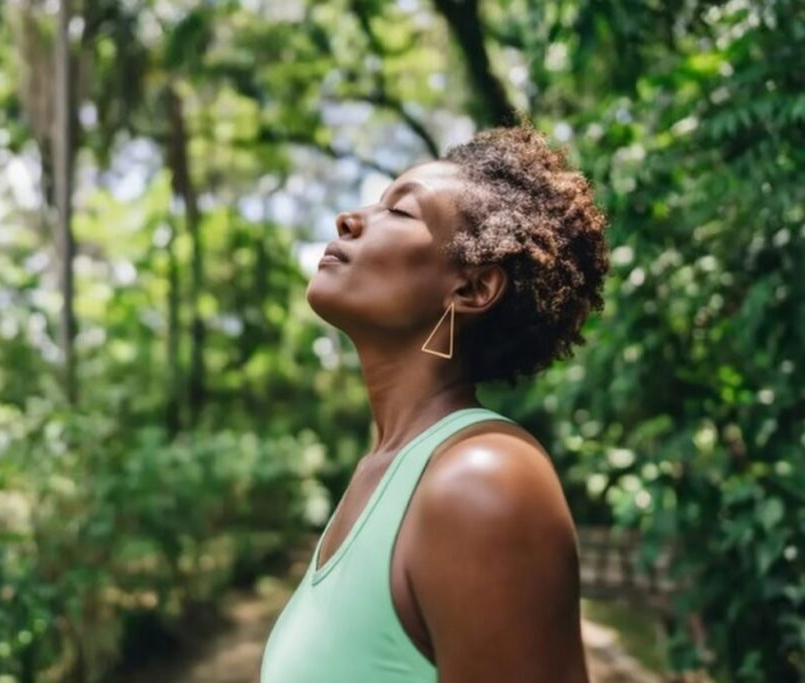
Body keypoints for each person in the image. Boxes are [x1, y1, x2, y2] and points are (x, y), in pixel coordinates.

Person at [259, 123, 610, 683]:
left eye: (400, 213)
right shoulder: (382, 475)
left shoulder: (481, 480)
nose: (349, 220)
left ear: (470, 290)